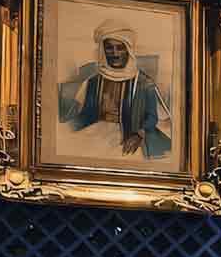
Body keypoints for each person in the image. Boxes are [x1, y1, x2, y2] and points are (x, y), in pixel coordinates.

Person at [57, 19, 172, 160]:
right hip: (95, 134)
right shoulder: (94, 81)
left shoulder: (144, 83)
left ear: (128, 50)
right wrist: (63, 131)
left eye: (120, 48)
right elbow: (86, 115)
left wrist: (139, 134)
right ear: (103, 50)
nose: (115, 53)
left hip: (129, 134)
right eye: (109, 48)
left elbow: (152, 117)